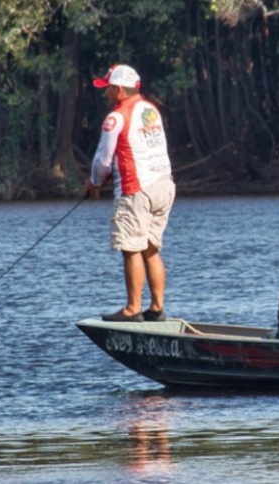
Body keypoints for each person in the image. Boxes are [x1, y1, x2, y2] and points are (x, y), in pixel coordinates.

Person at [87, 64, 176, 322]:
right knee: (150, 248)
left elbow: (102, 159)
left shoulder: (116, 117)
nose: (106, 94)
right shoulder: (150, 110)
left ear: (119, 89)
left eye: (108, 89)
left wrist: (94, 183)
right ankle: (157, 307)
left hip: (136, 189)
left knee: (131, 248)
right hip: (164, 186)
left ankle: (132, 309)